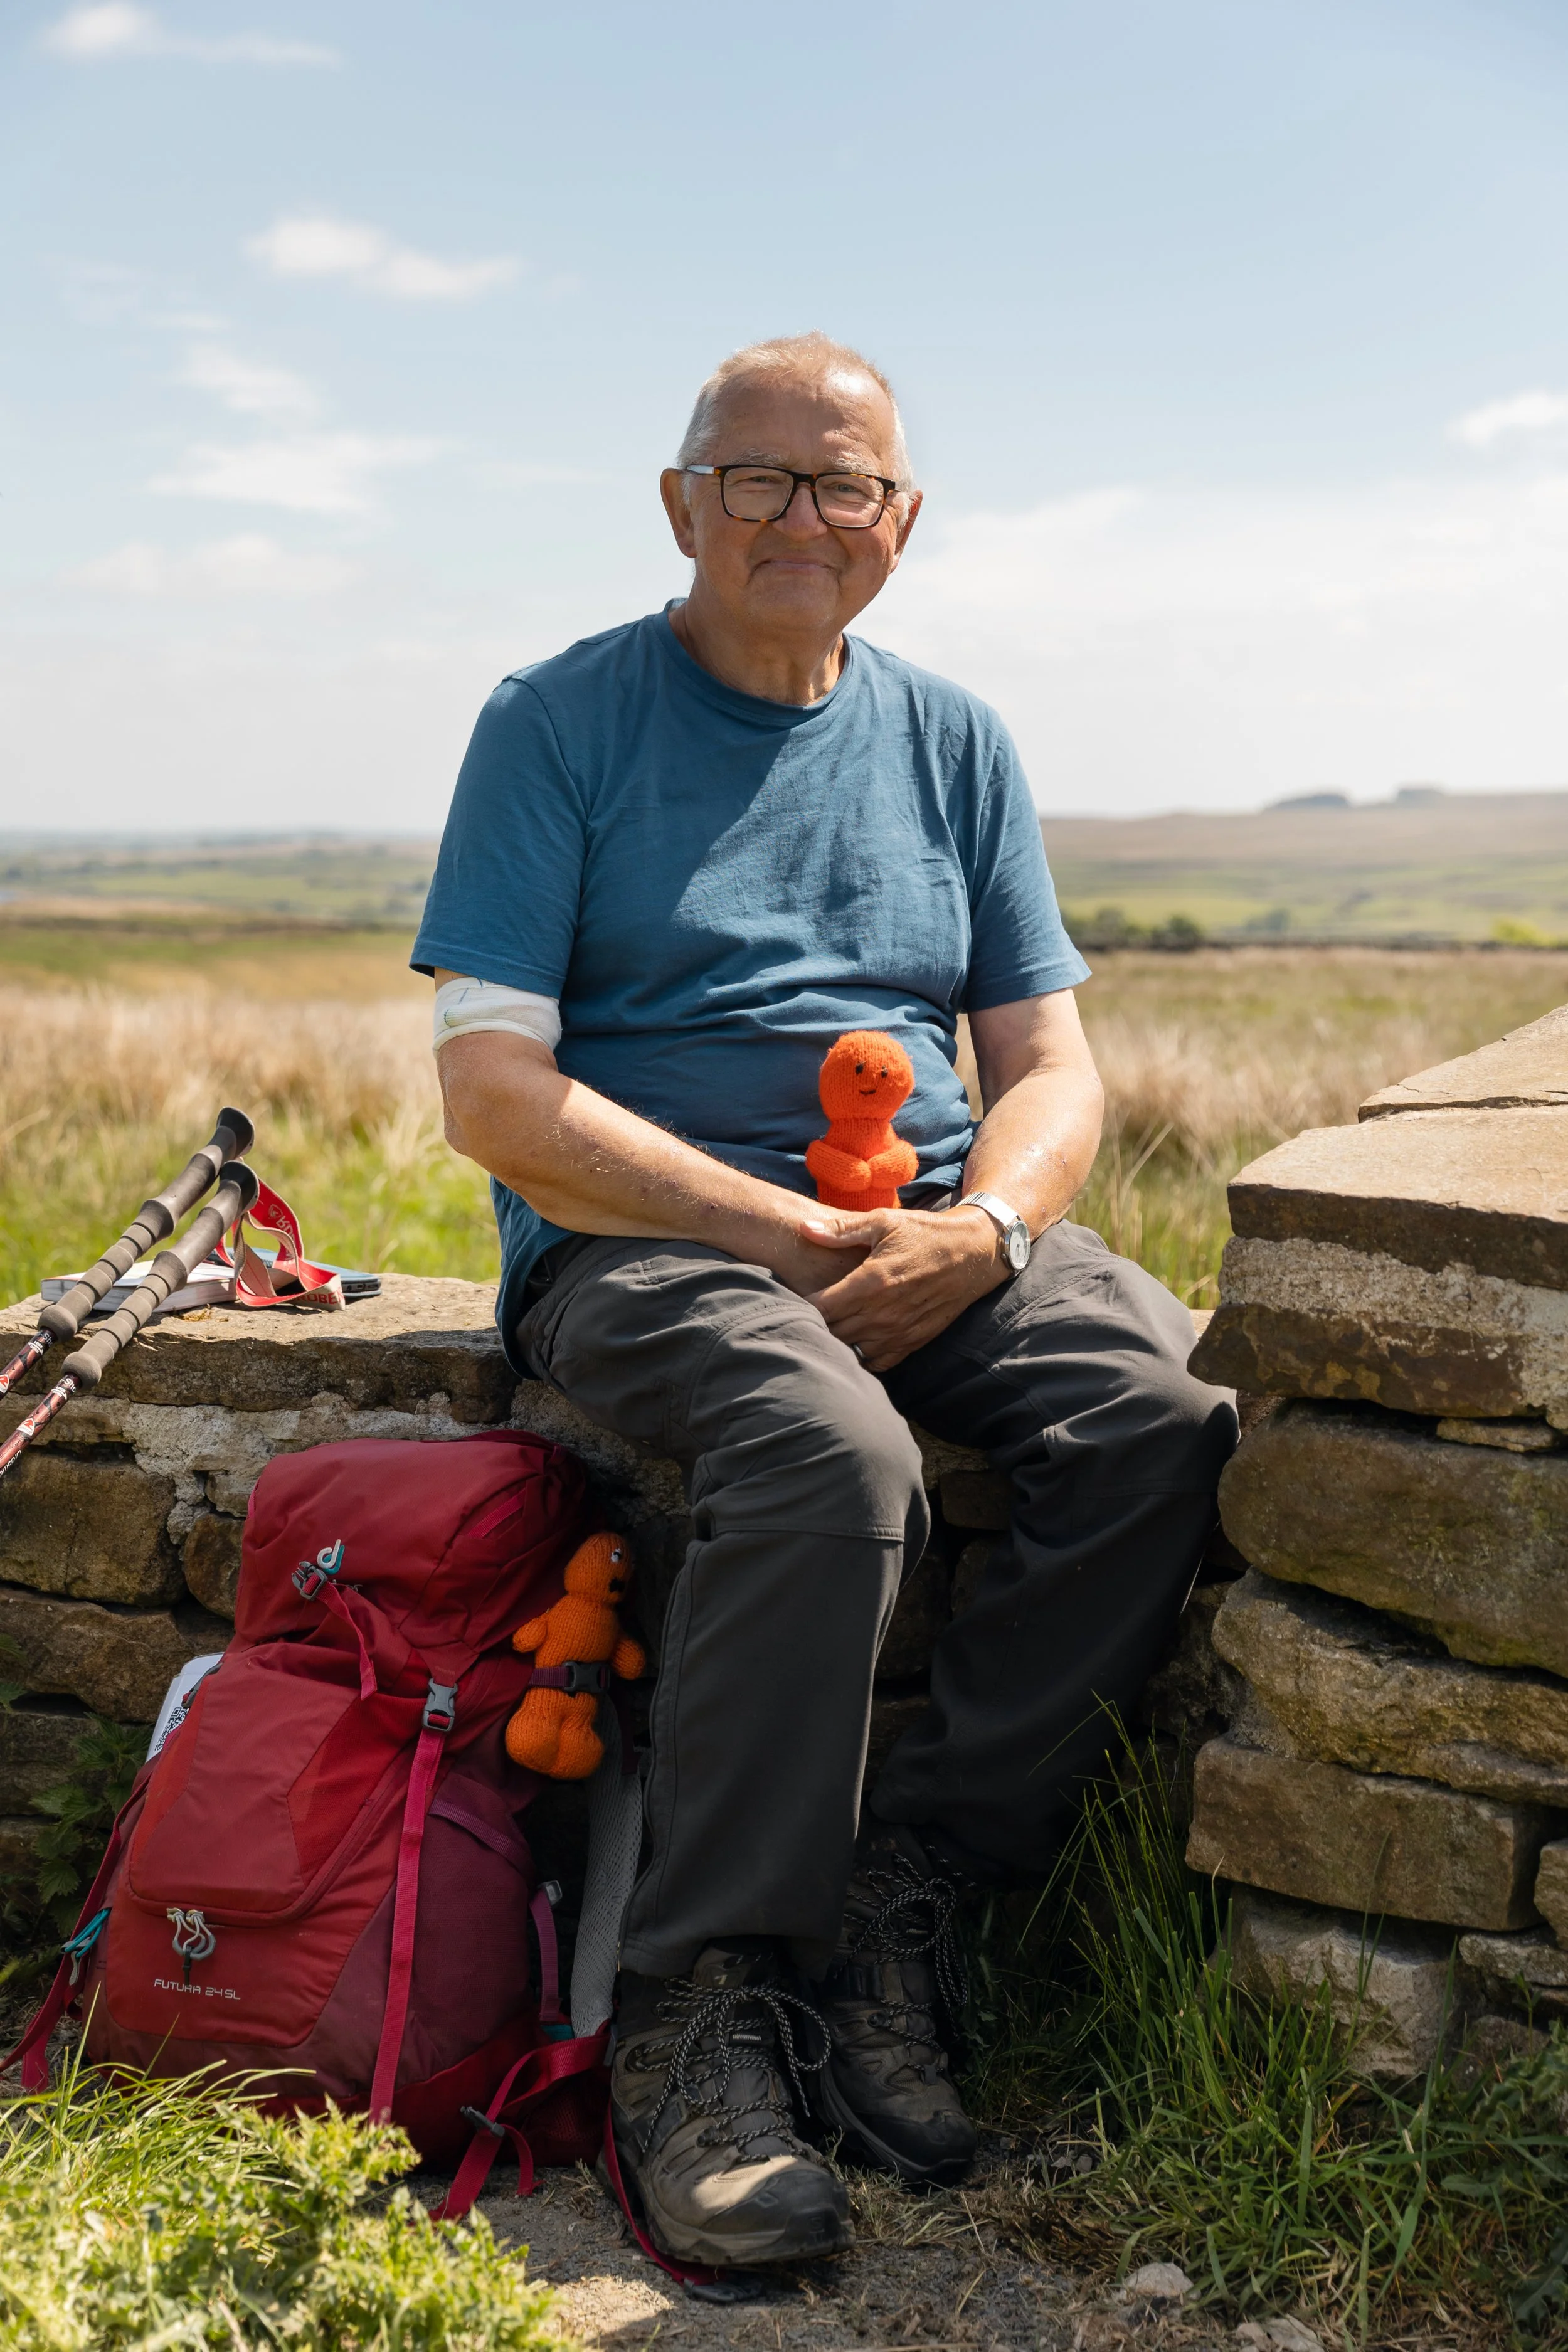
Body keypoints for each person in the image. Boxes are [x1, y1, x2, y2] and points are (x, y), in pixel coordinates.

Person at [414, 332, 1237, 2270]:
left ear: (900, 521)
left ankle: (905, 1896)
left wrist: (995, 1233)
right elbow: (492, 1096)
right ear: (682, 501)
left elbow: (1051, 1068)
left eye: (843, 482)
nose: (803, 516)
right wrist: (768, 1239)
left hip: (926, 1230)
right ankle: (698, 2007)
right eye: (760, 477)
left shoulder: (952, 737)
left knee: (1160, 1414)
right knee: (821, 1440)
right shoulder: (556, 722)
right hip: (637, 1243)